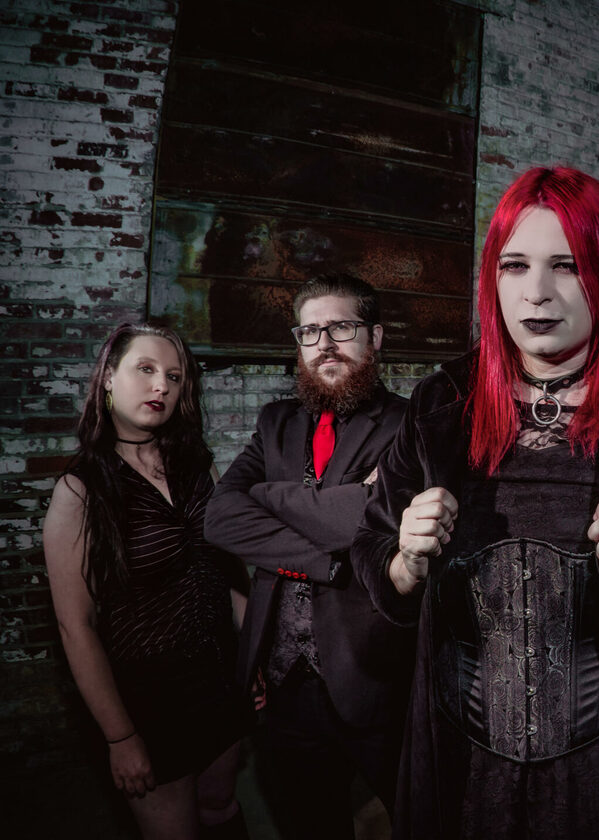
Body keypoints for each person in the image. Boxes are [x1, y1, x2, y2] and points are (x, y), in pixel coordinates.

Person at [351, 165, 599, 839]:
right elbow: (370, 550)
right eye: (514, 265)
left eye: (566, 266)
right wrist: (405, 562)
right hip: (464, 767)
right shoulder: (439, 405)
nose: (536, 292)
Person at [205, 273, 410, 839]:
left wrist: (267, 496)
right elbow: (219, 519)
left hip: (375, 677)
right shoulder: (276, 422)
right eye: (310, 331)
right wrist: (329, 556)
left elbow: (369, 519)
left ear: (375, 337)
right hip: (283, 681)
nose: (325, 344)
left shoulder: (410, 424)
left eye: (341, 327)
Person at [43, 323, 252, 840]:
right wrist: (120, 737)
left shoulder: (197, 466)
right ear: (108, 379)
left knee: (221, 806)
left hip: (220, 677)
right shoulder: (80, 491)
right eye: (146, 369)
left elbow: (225, 571)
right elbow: (75, 626)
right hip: (149, 699)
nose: (162, 385)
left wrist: (255, 656)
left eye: (174, 377)